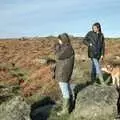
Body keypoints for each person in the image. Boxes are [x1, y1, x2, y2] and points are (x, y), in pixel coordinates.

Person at [54, 33, 75, 116]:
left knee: (64, 91)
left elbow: (58, 56)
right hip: (64, 71)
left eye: (59, 39)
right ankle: (71, 105)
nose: (58, 41)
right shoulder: (66, 47)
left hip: (63, 72)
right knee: (67, 88)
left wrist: (57, 48)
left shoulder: (67, 48)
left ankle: (65, 110)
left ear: (63, 40)